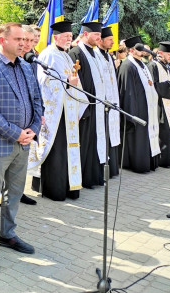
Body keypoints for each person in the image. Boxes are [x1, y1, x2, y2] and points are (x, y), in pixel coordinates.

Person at [0, 23, 43, 271]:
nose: (24, 43)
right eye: (18, 39)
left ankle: (7, 235)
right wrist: (16, 133)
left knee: (14, 193)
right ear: (2, 40)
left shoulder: (26, 66)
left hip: (23, 144)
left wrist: (33, 129)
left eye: (25, 39)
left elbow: (37, 100)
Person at [28, 20, 86, 201]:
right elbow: (44, 82)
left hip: (68, 111)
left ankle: (69, 186)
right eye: (66, 36)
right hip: (55, 112)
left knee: (67, 149)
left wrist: (78, 105)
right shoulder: (48, 54)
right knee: (55, 149)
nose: (69, 39)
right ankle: (53, 189)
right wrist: (67, 82)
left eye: (70, 36)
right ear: (56, 37)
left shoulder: (66, 56)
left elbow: (73, 79)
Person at [68, 21, 106, 188]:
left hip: (97, 106)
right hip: (85, 107)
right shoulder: (76, 53)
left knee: (95, 141)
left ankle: (94, 177)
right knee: (86, 143)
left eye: (99, 35)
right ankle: (84, 178)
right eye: (96, 34)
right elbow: (76, 82)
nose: (99, 38)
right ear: (85, 34)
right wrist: (82, 106)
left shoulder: (95, 53)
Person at [117, 36, 161, 173]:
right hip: (137, 110)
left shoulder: (142, 64)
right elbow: (127, 92)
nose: (142, 50)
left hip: (147, 108)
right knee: (137, 138)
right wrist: (132, 115)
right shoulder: (127, 66)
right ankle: (138, 164)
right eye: (139, 48)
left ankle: (149, 162)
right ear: (131, 50)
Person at [20, 24, 45, 205]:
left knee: (24, 157)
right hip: (16, 117)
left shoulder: (32, 59)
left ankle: (18, 191)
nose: (30, 43)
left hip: (30, 115)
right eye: (27, 39)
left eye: (33, 39)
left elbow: (37, 88)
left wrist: (40, 111)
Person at [147, 42, 170, 167]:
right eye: (168, 54)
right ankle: (163, 160)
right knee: (164, 132)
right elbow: (152, 86)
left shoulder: (166, 66)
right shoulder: (153, 65)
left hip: (168, 103)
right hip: (158, 104)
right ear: (160, 53)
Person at [97, 26, 121, 177]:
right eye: (110, 39)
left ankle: (112, 168)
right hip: (102, 105)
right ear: (101, 40)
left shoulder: (108, 56)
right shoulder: (96, 55)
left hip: (112, 102)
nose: (113, 42)